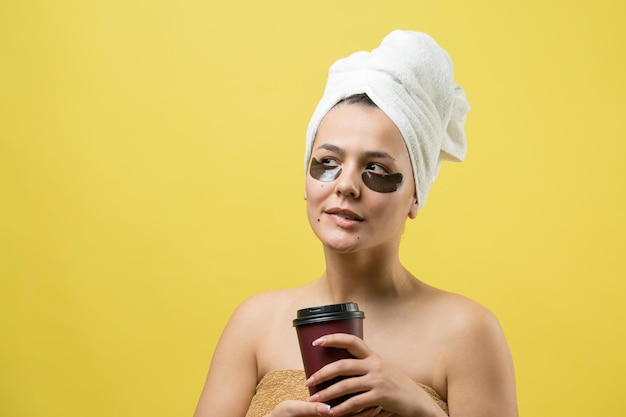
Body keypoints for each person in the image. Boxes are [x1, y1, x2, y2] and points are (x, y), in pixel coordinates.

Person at [193, 30, 518, 417]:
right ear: (306, 180)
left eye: (376, 168)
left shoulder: (467, 333)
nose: (346, 185)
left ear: (415, 196)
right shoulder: (255, 324)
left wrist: (420, 408)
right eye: (328, 162)